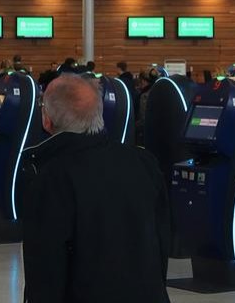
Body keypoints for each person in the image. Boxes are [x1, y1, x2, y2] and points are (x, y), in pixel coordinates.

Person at [20, 75, 170, 303]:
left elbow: (45, 269)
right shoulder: (143, 162)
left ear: (47, 120)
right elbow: (160, 241)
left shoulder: (50, 177)